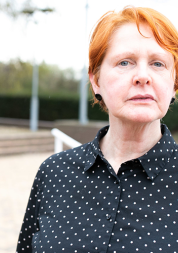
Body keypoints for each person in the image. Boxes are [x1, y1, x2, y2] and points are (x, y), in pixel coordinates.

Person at [16, 6, 178, 253]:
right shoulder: (53, 174)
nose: (143, 76)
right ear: (96, 80)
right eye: (125, 62)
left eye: (158, 63)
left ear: (174, 82)